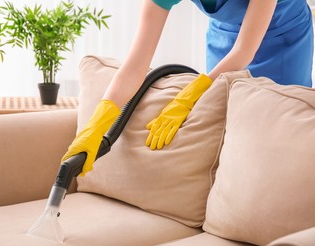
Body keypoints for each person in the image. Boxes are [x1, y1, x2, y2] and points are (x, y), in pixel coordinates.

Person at [62, 0, 314, 176]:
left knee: (280, 126)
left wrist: (189, 95)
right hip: (225, 36)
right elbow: (135, 65)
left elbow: (244, 50)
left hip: (284, 33)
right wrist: (96, 125)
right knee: (221, 119)